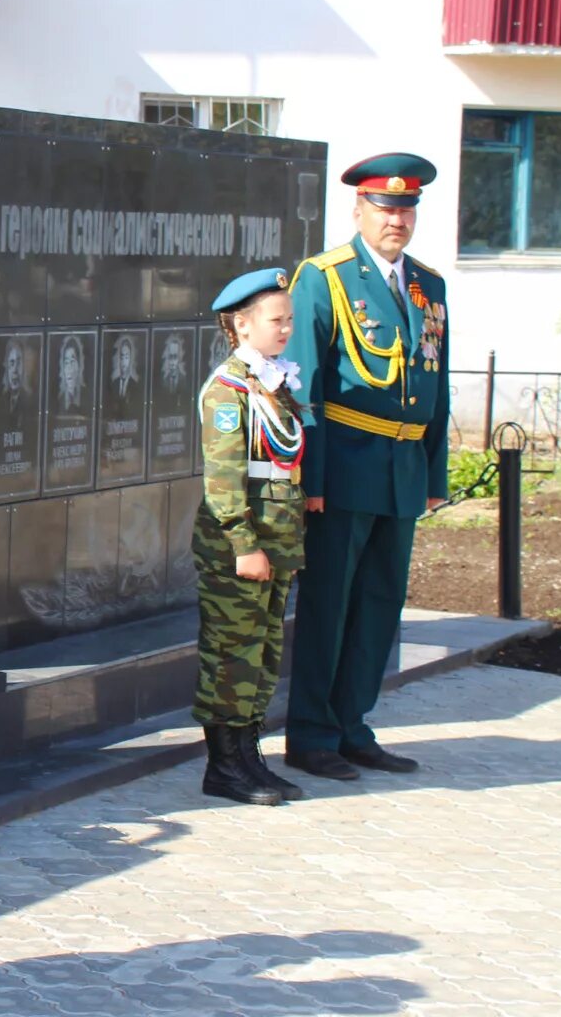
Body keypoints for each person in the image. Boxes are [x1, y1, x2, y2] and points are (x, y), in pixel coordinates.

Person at [283, 154, 448, 781]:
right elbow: (306, 386)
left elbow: (437, 381)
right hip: (345, 466)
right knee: (330, 604)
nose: (396, 220)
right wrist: (312, 479)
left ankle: (354, 725)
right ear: (359, 211)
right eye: (385, 208)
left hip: (402, 467)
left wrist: (434, 475)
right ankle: (311, 733)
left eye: (406, 210)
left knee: (380, 604)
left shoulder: (427, 285)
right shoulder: (324, 278)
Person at [193, 268, 307, 807]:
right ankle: (224, 766)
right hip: (240, 549)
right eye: (276, 319)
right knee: (231, 656)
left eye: (289, 319)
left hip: (276, 543)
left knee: (262, 654)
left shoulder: (275, 383)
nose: (286, 329)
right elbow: (224, 479)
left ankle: (249, 757)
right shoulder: (229, 391)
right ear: (242, 324)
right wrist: (244, 545)